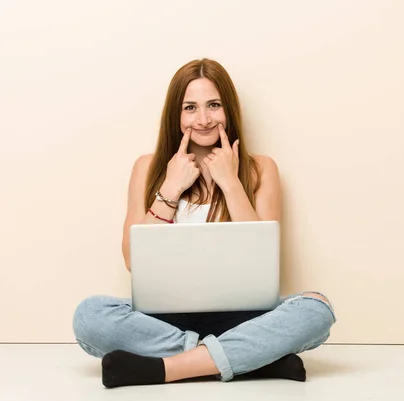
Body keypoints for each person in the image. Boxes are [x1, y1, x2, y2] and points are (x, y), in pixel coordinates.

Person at [72, 59, 336, 388]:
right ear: (176, 115)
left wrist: (231, 183)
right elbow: (132, 261)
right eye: (190, 108)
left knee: (317, 309)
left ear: (229, 109)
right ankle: (247, 360)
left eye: (214, 105)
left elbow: (261, 258)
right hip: (164, 317)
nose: (204, 119)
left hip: (244, 316)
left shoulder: (260, 169)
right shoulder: (148, 167)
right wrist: (170, 187)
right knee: (90, 315)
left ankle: (167, 368)